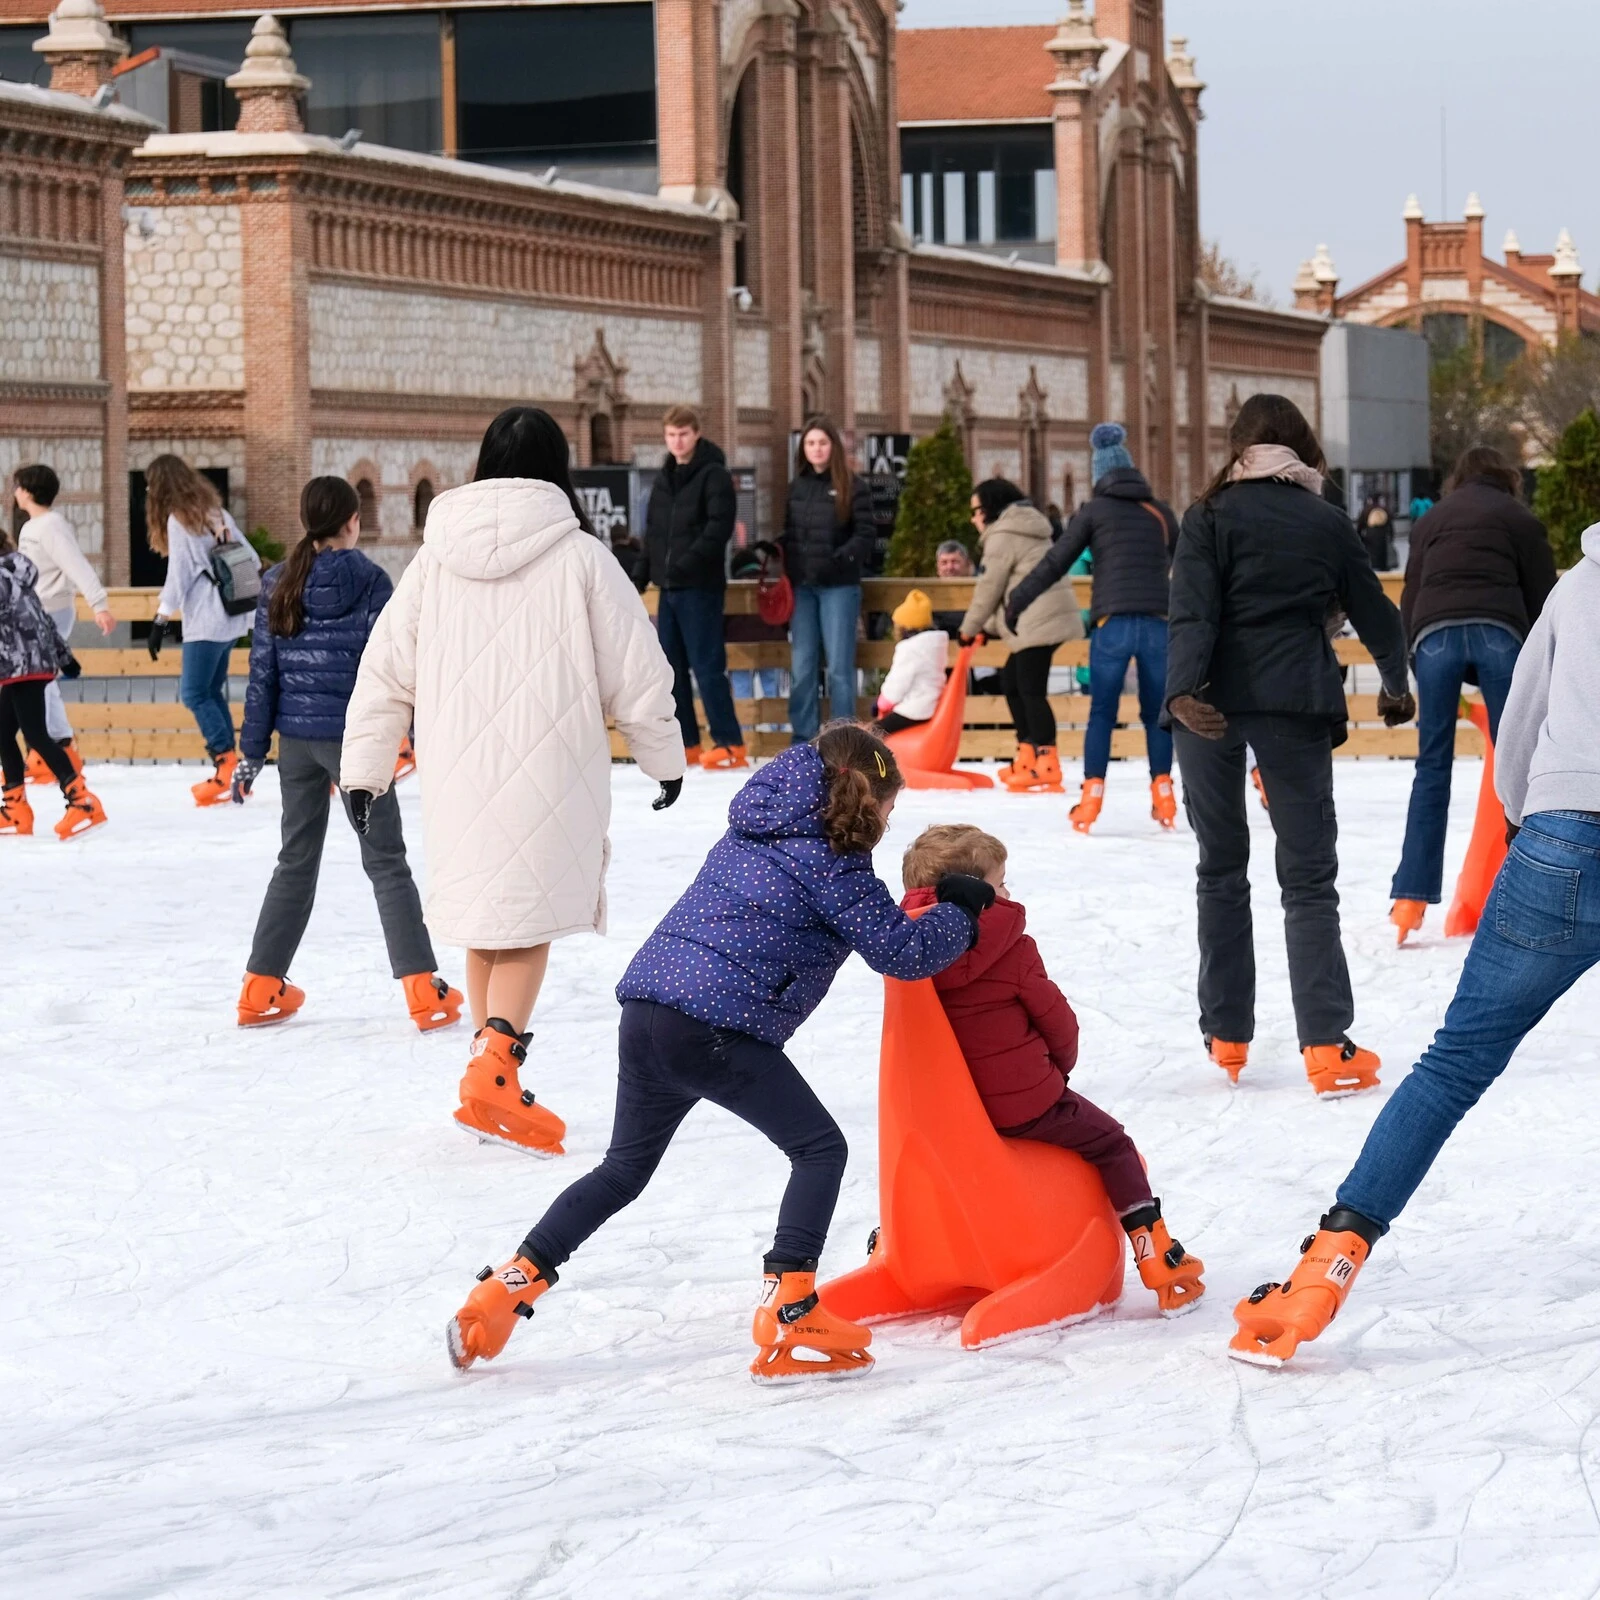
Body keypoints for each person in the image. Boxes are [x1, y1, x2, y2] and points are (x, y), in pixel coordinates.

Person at [444, 723, 987, 1382]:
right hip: (714, 1027)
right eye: (890, 808)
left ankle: (505, 1288)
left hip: (648, 1011)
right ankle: (791, 1304)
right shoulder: (836, 865)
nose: (890, 821)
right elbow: (904, 953)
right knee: (820, 1148)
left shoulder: (754, 827)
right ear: (866, 801)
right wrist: (961, 907)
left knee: (621, 1172)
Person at [1230, 519, 1600, 1366]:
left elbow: (1521, 729)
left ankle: (1327, 1265)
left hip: (1558, 837)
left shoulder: (1577, 588)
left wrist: (1531, 826)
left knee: (1454, 1063)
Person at [340, 407, 685, 1156]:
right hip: (553, 762)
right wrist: (663, 757)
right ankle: (496, 1065)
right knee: (522, 915)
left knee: (486, 914)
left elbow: (383, 673)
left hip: (457, 765)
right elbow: (639, 669)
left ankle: (486, 1070)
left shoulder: (432, 563)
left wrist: (364, 772)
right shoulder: (583, 558)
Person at [1165, 393, 1414, 1094]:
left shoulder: (1208, 515)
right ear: (1302, 447)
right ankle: (1325, 1044)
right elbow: (1378, 614)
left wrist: (1184, 692)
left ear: (1239, 447)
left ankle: (1227, 1034)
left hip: (1207, 704)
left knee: (1220, 867)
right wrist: (1394, 683)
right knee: (1307, 879)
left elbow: (1192, 612)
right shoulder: (1325, 519)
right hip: (1293, 702)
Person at [901, 824, 1205, 1315]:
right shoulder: (1013, 949)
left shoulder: (905, 954)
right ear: (977, 895)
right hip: (1022, 1103)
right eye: (1000, 887)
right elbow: (1058, 1023)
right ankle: (1157, 1253)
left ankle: (904, 1241)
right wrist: (1057, 1072)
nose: (1007, 894)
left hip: (942, 1113)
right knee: (1113, 1143)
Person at [230, 476, 461, 1033]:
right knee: (384, 860)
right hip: (357, 741)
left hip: (297, 746)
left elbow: (264, 676)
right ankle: (422, 990)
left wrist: (251, 752)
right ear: (352, 522)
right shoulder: (374, 582)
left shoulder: (276, 584)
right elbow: (398, 665)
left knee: (294, 860)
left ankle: (260, 987)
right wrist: (415, 734)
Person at [1388, 445, 1557, 944]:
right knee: (1519, 771)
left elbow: (1410, 595)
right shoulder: (1519, 518)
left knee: (1431, 769)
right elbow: (1544, 600)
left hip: (1434, 637)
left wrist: (1415, 661)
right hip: (1498, 633)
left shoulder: (1431, 520)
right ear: (1507, 479)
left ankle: (1409, 900)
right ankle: (1529, 896)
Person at [1005, 422, 1180, 833]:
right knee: (1157, 714)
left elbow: (1055, 562)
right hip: (1158, 624)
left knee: (1102, 713)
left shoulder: (1094, 512)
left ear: (1099, 473)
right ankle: (1164, 794)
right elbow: (1192, 564)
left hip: (1112, 624)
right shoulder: (1161, 512)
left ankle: (1091, 799)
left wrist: (1018, 599)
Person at [144, 454, 261, 807]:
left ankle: (225, 767)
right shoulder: (216, 514)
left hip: (207, 621)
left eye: (151, 483)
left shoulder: (180, 521)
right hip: (233, 617)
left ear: (162, 487)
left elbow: (178, 577)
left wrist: (161, 621)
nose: (148, 489)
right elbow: (252, 559)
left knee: (195, 692)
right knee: (211, 690)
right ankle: (232, 770)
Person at [958, 478, 1083, 794]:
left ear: (989, 509)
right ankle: (1028, 757)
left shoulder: (1003, 535)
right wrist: (987, 630)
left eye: (975, 510)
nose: (973, 518)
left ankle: (1047, 764)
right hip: (1038, 614)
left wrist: (967, 630)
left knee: (1030, 689)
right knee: (1013, 681)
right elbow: (1011, 587)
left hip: (1038, 618)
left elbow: (990, 589)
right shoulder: (1023, 527)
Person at [643, 404, 745, 769]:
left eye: (683, 434)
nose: (677, 441)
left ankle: (730, 742)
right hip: (669, 589)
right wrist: (644, 571)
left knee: (707, 665)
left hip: (699, 585)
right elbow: (654, 531)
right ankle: (687, 742)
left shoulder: (713, 475)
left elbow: (718, 529)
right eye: (671, 435)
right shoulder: (664, 477)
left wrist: (685, 564)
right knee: (671, 667)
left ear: (696, 434)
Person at [13, 464, 115, 783]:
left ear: (28, 491)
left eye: (18, 486)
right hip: (35, 612)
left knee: (40, 680)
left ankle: (62, 747)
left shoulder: (51, 526)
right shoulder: (32, 527)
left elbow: (77, 565)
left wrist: (99, 605)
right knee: (41, 681)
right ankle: (55, 750)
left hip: (52, 610)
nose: (14, 492)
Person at [0, 536, 106, 840]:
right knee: (4, 733)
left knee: (35, 735)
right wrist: (64, 656)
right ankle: (15, 808)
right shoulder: (16, 578)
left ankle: (82, 801)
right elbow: (42, 620)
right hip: (27, 666)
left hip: (22, 668)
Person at [783, 416, 874, 742]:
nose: (816, 449)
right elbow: (790, 534)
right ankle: (803, 738)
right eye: (810, 443)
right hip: (803, 587)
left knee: (839, 667)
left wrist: (838, 561)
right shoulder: (797, 488)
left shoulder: (853, 486)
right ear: (803, 449)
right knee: (803, 666)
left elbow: (865, 536)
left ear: (833, 447)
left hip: (839, 586)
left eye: (822, 442)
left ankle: (842, 738)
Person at [874, 588, 948, 735]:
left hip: (915, 710)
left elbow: (898, 682)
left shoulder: (909, 649)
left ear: (905, 626)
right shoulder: (934, 646)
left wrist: (882, 703)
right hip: (932, 704)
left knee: (873, 733)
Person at [1355, 495, 1395, 571]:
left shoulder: (1366, 510)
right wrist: (1391, 537)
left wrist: (1360, 537)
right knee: (1383, 558)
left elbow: (1360, 525)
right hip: (1382, 536)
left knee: (1371, 557)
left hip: (1370, 536)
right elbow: (1390, 525)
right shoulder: (1385, 509)